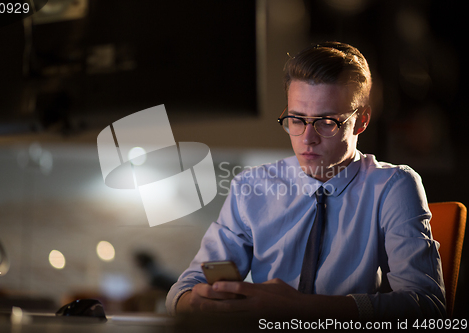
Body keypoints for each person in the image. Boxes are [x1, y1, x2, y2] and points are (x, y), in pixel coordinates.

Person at [165, 41, 445, 320]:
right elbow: (183, 291)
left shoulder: (392, 186)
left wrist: (301, 309)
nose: (307, 138)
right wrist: (194, 302)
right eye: (297, 119)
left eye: (327, 122)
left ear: (361, 121)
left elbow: (426, 306)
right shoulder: (251, 187)